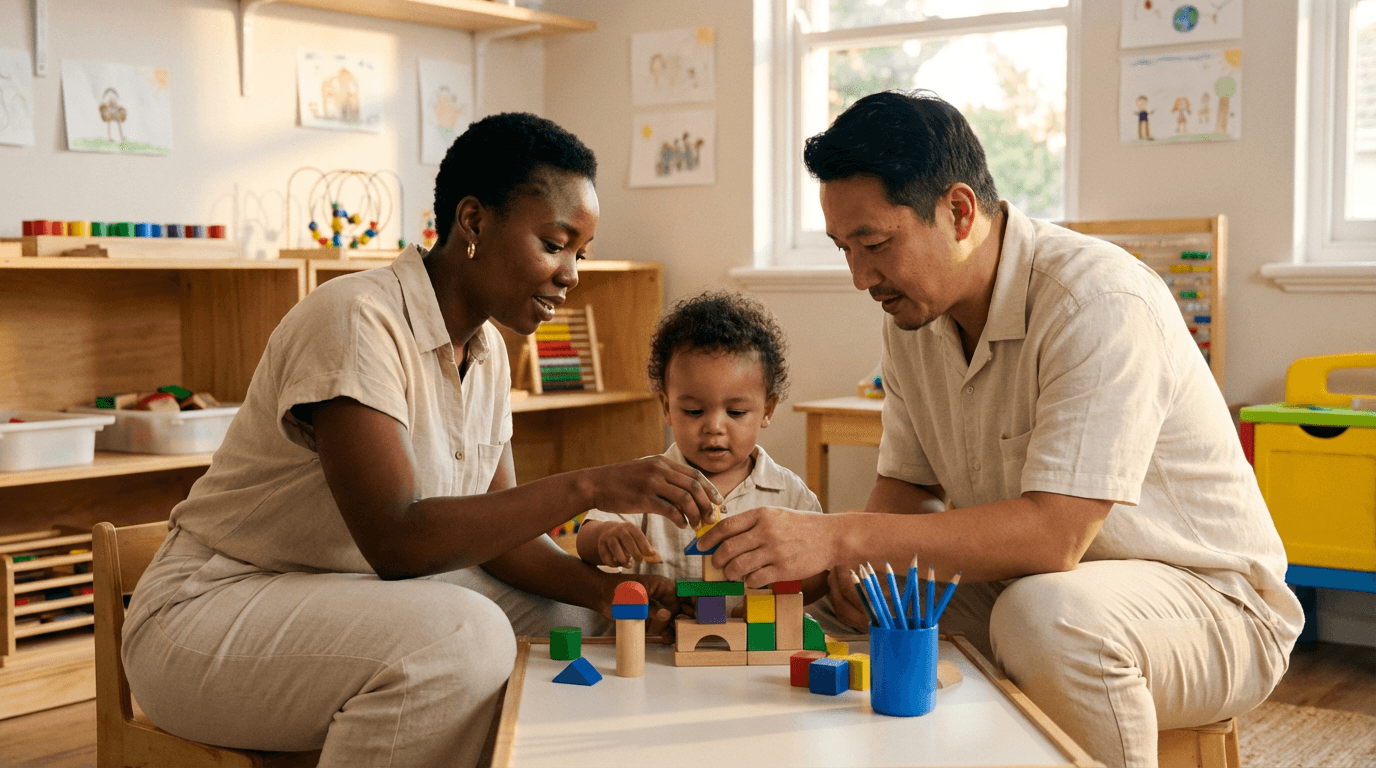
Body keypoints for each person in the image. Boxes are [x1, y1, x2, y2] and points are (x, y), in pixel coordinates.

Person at [698, 91, 1301, 768]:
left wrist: (837, 536)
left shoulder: (1097, 300)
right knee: (839, 623)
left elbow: (1054, 535)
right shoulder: (914, 319)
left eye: (875, 244)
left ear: (959, 212)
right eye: (844, 248)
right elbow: (907, 485)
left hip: (1210, 604)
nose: (860, 276)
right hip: (1035, 584)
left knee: (1045, 620)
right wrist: (855, 572)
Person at [122, 112, 722, 768]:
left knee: (569, 623)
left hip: (342, 597)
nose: (572, 273)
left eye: (582, 252)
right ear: (473, 222)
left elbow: (504, 541)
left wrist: (609, 591)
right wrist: (591, 483)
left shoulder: (487, 349)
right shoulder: (357, 320)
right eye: (555, 243)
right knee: (463, 640)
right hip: (209, 616)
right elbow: (398, 540)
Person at [577, 291, 828, 604]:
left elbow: (817, 577)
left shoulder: (791, 495)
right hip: (659, 639)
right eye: (694, 411)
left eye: (736, 412)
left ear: (767, 410)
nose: (714, 426)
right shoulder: (647, 481)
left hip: (756, 645)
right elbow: (585, 538)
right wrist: (605, 537)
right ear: (667, 408)